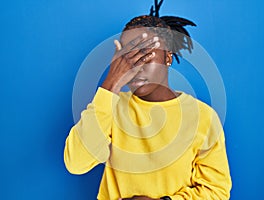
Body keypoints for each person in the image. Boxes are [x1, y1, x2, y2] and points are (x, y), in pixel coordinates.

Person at [64, 0, 232, 199]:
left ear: (167, 58)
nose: (136, 66)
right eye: (128, 57)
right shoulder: (109, 107)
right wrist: (111, 84)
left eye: (145, 54)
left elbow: (217, 191)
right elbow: (76, 162)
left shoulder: (203, 117)